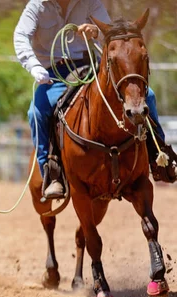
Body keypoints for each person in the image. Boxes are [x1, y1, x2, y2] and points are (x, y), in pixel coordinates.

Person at [14, 0, 174, 198]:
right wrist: (34, 66)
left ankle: (160, 155)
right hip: (53, 74)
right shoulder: (37, 6)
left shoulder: (90, 2)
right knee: (36, 112)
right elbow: (21, 36)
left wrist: (97, 33)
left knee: (147, 95)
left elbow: (113, 37)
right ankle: (50, 172)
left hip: (90, 67)